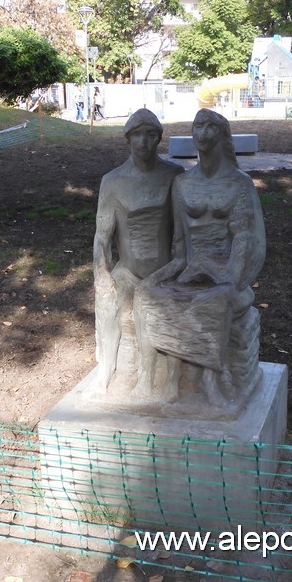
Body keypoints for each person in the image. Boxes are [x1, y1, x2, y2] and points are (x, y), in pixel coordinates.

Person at [133, 109, 266, 405]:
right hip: (190, 273)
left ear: (222, 135)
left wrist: (229, 278)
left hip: (227, 274)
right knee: (146, 295)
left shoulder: (239, 184)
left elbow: (244, 241)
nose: (202, 134)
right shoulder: (183, 184)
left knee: (212, 302)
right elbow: (180, 249)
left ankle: (212, 382)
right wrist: (154, 279)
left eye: (210, 127)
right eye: (197, 127)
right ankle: (165, 381)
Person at [93, 109, 184, 395]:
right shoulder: (113, 180)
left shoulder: (174, 175)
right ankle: (106, 369)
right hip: (128, 271)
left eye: (151, 135)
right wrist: (101, 273)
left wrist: (179, 269)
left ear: (159, 139)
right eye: (137, 135)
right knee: (107, 303)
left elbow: (183, 233)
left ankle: (171, 380)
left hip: (165, 271)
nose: (144, 142)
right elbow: (102, 236)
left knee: (171, 309)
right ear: (127, 139)